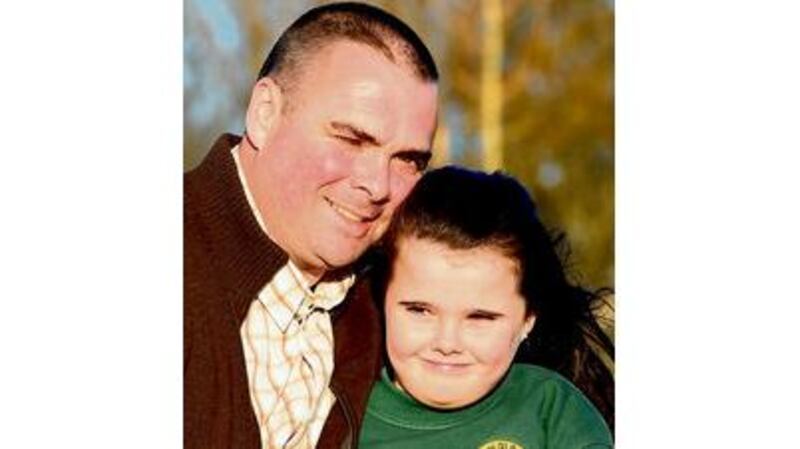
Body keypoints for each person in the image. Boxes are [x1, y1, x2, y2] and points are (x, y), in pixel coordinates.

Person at [184, 3, 439, 449]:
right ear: (265, 113)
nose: (378, 185)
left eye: (407, 160)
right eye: (352, 139)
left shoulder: (406, 305)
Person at [359, 166, 615, 449]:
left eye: (479, 318)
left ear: (527, 319)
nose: (446, 343)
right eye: (419, 310)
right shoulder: (342, 417)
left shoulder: (552, 409)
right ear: (383, 300)